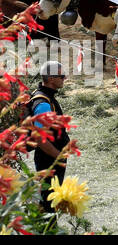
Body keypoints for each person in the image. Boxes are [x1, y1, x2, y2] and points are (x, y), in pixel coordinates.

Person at [24, 61, 69, 212]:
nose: (65, 78)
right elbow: (39, 138)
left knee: (50, 202)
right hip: (49, 160)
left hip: (49, 159)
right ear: (50, 78)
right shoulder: (43, 103)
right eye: (61, 75)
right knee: (48, 204)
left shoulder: (43, 97)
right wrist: (59, 157)